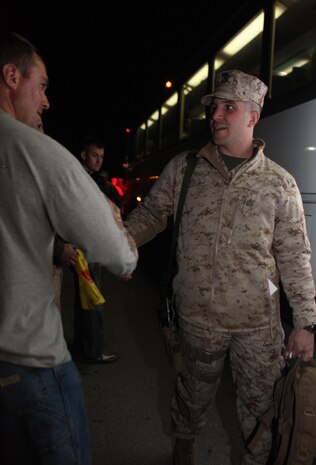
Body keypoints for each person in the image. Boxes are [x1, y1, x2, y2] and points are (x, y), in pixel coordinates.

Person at [124, 69, 316, 465]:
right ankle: (184, 452)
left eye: (229, 107)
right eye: (215, 106)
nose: (216, 114)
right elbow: (150, 216)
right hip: (197, 320)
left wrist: (305, 324)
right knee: (190, 402)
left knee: (260, 415)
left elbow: (295, 256)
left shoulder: (280, 184)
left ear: (252, 116)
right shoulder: (185, 169)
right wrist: (119, 244)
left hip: (258, 329)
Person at [0, 30, 138, 465]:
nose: (46, 102)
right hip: (30, 364)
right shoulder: (37, 152)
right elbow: (113, 249)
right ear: (11, 77)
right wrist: (127, 246)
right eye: (41, 86)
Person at [70, 136, 121, 364]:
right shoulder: (79, 178)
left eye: (101, 157)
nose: (99, 160)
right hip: (85, 250)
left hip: (85, 247)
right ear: (83, 155)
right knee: (93, 300)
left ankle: (83, 349)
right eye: (94, 155)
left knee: (84, 301)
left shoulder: (89, 178)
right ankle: (94, 351)